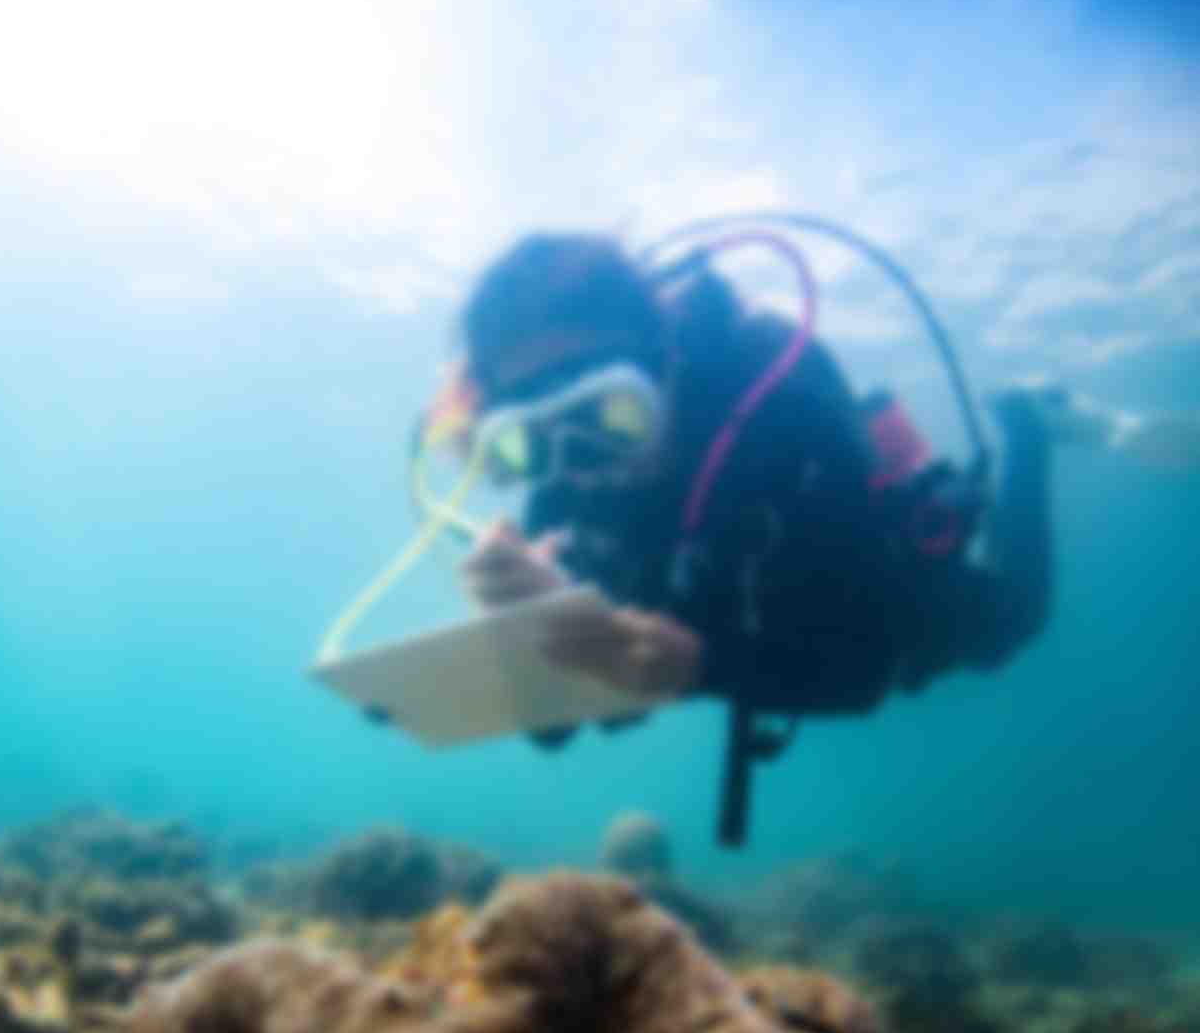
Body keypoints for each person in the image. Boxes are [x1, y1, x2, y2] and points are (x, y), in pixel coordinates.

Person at [406, 223, 1162, 840]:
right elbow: (558, 731)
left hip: (862, 588)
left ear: (662, 362)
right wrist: (530, 631)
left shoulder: (783, 401)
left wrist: (696, 666)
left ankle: (1026, 426)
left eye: (610, 416)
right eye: (528, 445)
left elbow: (863, 670)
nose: (579, 468)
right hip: (729, 625)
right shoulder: (568, 476)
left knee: (1010, 625)